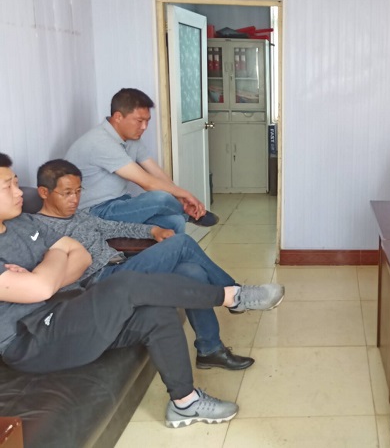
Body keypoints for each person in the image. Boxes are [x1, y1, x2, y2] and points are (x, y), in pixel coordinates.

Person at [0, 153, 272, 428]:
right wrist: (54, 262)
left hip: (66, 310)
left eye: (17, 183)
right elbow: (44, 285)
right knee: (128, 282)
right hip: (30, 340)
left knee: (159, 312)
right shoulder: (38, 223)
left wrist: (47, 266)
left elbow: (78, 255)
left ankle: (185, 402)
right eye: (7, 187)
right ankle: (231, 296)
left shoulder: (23, 223)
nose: (19, 193)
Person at [31, 158, 283, 371]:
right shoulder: (37, 230)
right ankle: (237, 295)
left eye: (78, 191)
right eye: (67, 193)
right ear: (43, 192)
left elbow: (114, 227)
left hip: (121, 266)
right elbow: (49, 278)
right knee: (182, 243)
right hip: (102, 282)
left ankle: (210, 349)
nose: (75, 199)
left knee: (192, 272)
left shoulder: (79, 216)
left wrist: (153, 230)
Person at [65, 88, 217, 234]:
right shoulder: (100, 142)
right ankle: (190, 214)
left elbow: (157, 174)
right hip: (94, 212)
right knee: (160, 197)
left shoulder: (132, 139)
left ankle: (180, 236)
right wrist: (187, 196)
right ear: (118, 117)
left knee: (175, 222)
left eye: (147, 121)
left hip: (120, 203)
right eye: (139, 121)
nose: (144, 127)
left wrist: (179, 197)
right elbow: (147, 182)